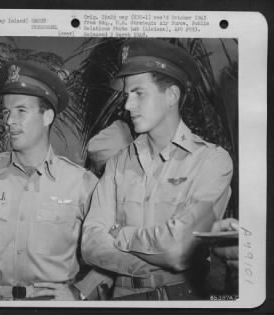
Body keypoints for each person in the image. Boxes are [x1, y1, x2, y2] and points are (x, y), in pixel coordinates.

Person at [81, 38, 234, 300]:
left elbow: (179, 248)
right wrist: (144, 265)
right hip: (121, 299)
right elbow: (91, 244)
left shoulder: (210, 160)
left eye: (139, 93)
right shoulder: (119, 163)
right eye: (127, 95)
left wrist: (123, 235)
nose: (127, 106)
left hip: (182, 297)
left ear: (172, 95)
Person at [0, 60, 99, 300]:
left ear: (47, 116)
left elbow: (115, 248)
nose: (9, 121)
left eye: (21, 111)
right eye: (6, 112)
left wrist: (81, 292)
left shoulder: (81, 182)